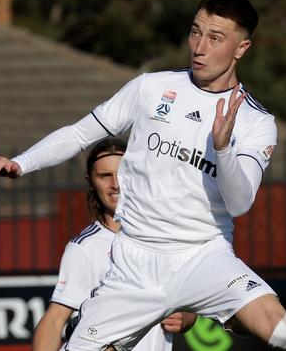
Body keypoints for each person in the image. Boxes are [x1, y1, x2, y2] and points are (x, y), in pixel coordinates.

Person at [0, 0, 286, 351]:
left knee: (283, 332)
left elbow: (240, 202)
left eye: (215, 38)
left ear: (241, 49)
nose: (199, 46)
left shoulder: (255, 122)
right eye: (196, 31)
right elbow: (80, 133)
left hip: (203, 257)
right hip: (134, 262)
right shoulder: (152, 88)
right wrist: (21, 163)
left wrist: (224, 148)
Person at [32, 138, 196, 351]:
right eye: (104, 175)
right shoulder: (85, 247)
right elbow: (54, 320)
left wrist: (186, 318)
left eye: (122, 172)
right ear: (91, 181)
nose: (115, 184)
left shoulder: (166, 235)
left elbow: (190, 305)